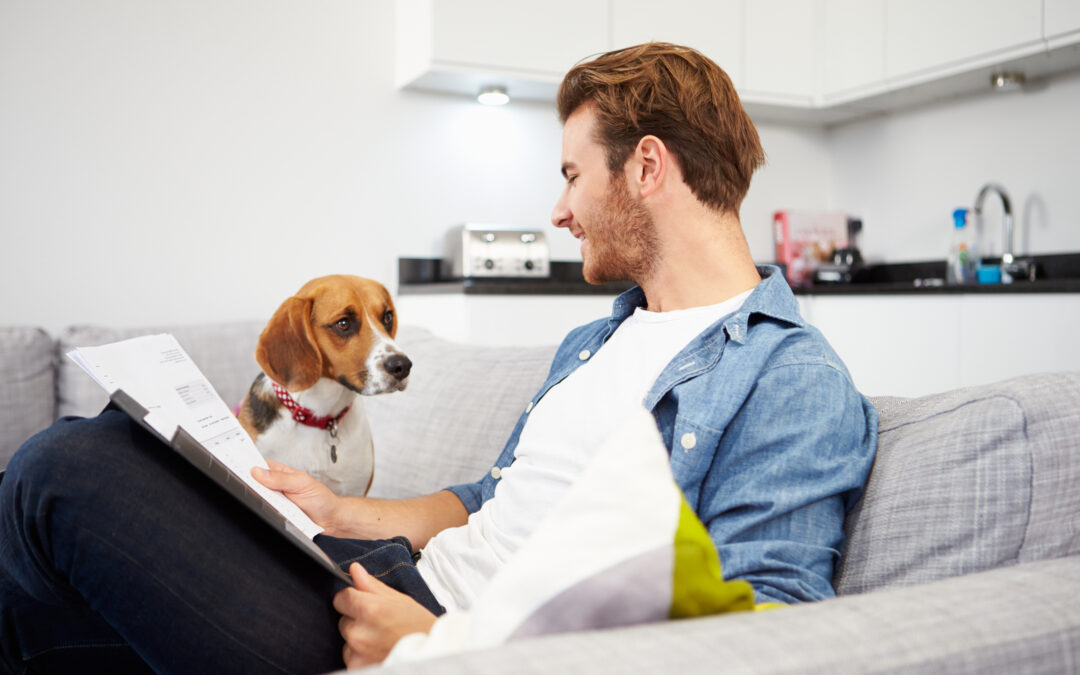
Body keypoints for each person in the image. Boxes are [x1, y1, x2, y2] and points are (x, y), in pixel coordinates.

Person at [0, 42, 877, 673]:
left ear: (647, 166)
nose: (560, 209)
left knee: (63, 470)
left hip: (433, 631)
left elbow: (773, 632)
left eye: (573, 174)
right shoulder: (598, 338)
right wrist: (342, 515)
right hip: (386, 578)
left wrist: (439, 647)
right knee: (84, 509)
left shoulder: (790, 377)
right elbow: (491, 503)